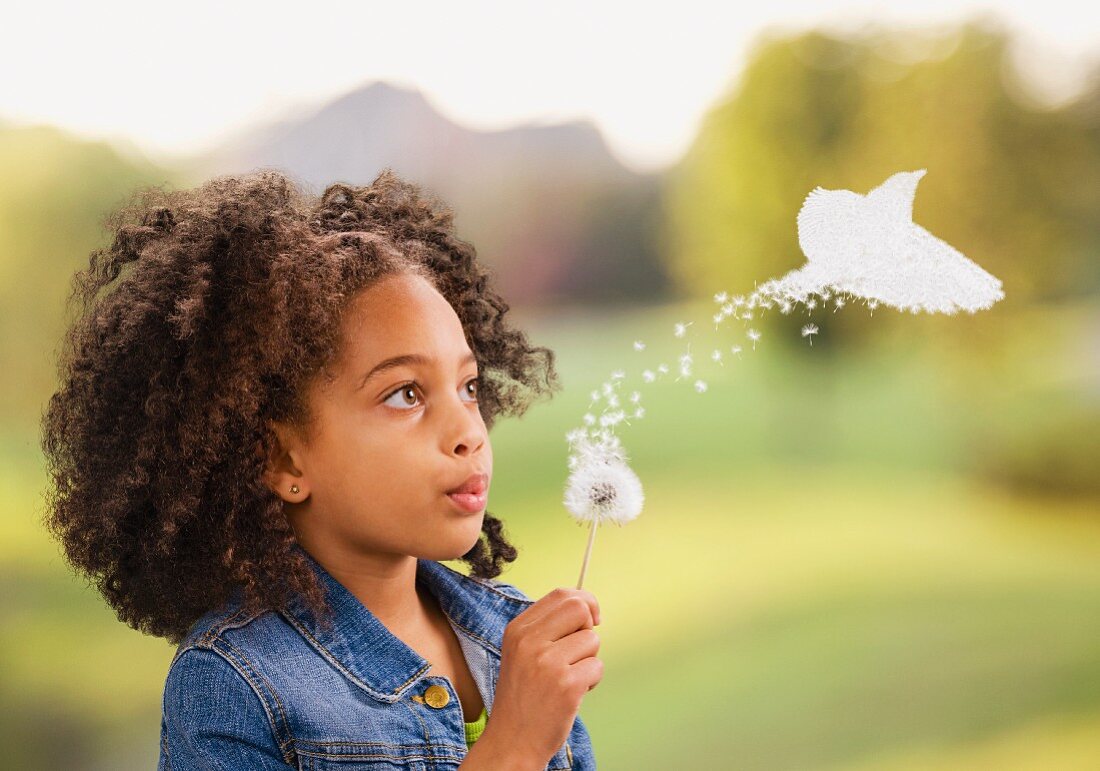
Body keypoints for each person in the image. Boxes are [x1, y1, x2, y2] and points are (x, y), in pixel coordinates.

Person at [39, 168, 603, 769]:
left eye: (467, 387)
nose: (469, 432)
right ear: (283, 459)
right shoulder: (233, 686)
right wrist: (515, 743)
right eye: (405, 394)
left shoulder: (510, 637)